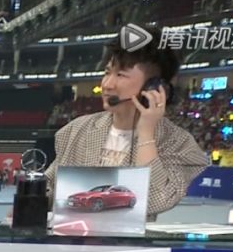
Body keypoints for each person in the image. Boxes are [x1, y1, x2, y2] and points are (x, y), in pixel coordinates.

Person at [45, 26, 209, 218]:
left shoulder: (179, 144)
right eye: (107, 72)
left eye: (121, 75)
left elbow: (154, 201)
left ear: (155, 87)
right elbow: (50, 189)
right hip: (73, 235)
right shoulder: (76, 130)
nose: (107, 84)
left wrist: (146, 133)